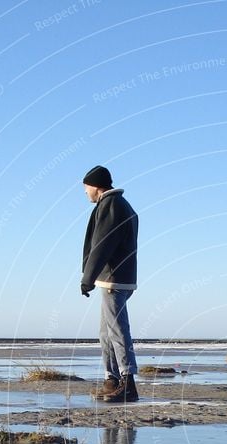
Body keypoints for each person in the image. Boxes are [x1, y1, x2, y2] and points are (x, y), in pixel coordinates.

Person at [80, 165, 139, 402]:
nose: (85, 192)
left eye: (86, 187)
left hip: (113, 278)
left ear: (96, 186)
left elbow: (102, 244)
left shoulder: (111, 206)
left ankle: (128, 382)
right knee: (106, 333)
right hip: (116, 278)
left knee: (116, 331)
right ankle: (112, 380)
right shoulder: (119, 205)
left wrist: (87, 278)